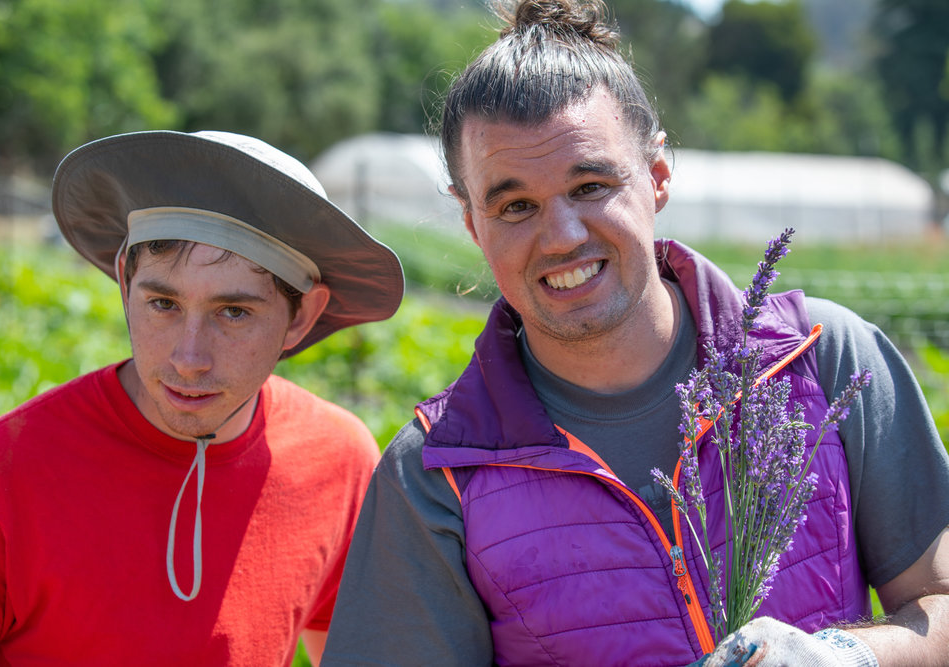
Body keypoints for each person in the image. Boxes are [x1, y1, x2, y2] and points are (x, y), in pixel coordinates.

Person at [321, 1, 949, 665]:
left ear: (657, 177)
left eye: (590, 186)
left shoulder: (824, 359)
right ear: (473, 222)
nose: (561, 236)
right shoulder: (436, 474)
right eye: (516, 205)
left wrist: (845, 655)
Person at [0, 130, 404, 666]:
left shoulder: (339, 460)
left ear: (301, 316)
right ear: (125, 284)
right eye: (163, 304)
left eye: (233, 312)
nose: (189, 359)